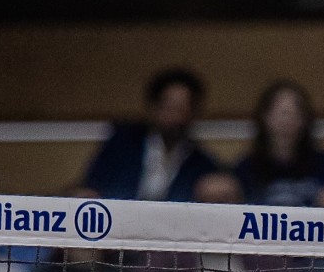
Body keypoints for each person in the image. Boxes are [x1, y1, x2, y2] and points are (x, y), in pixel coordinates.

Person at [81, 68, 221, 203]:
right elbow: (91, 186)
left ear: (194, 113)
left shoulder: (202, 163)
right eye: (170, 108)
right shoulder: (122, 145)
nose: (175, 117)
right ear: (153, 107)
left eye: (182, 109)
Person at [233, 80, 324, 208]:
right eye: (281, 114)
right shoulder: (246, 166)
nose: (286, 122)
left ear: (305, 120)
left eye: (294, 114)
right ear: (264, 117)